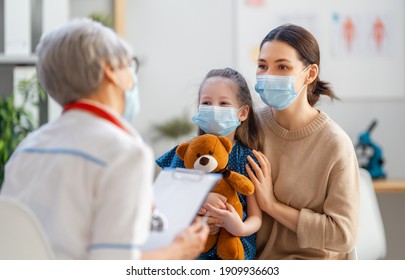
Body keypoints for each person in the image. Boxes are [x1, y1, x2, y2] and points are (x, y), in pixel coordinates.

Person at [0, 18, 209, 260]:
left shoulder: (27, 148)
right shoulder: (123, 153)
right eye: (129, 65)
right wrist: (178, 251)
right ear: (110, 69)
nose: (132, 74)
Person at [245, 24, 360, 259]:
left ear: (310, 73)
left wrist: (272, 205)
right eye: (263, 66)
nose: (269, 76)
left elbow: (343, 235)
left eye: (283, 67)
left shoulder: (335, 144)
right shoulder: (249, 127)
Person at [156, 68, 263, 260]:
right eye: (206, 103)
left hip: (235, 251)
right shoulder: (184, 155)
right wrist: (199, 200)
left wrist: (238, 226)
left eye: (223, 103)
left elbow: (256, 218)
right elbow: (164, 205)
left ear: (243, 112)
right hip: (191, 250)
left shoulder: (247, 159)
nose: (214, 108)